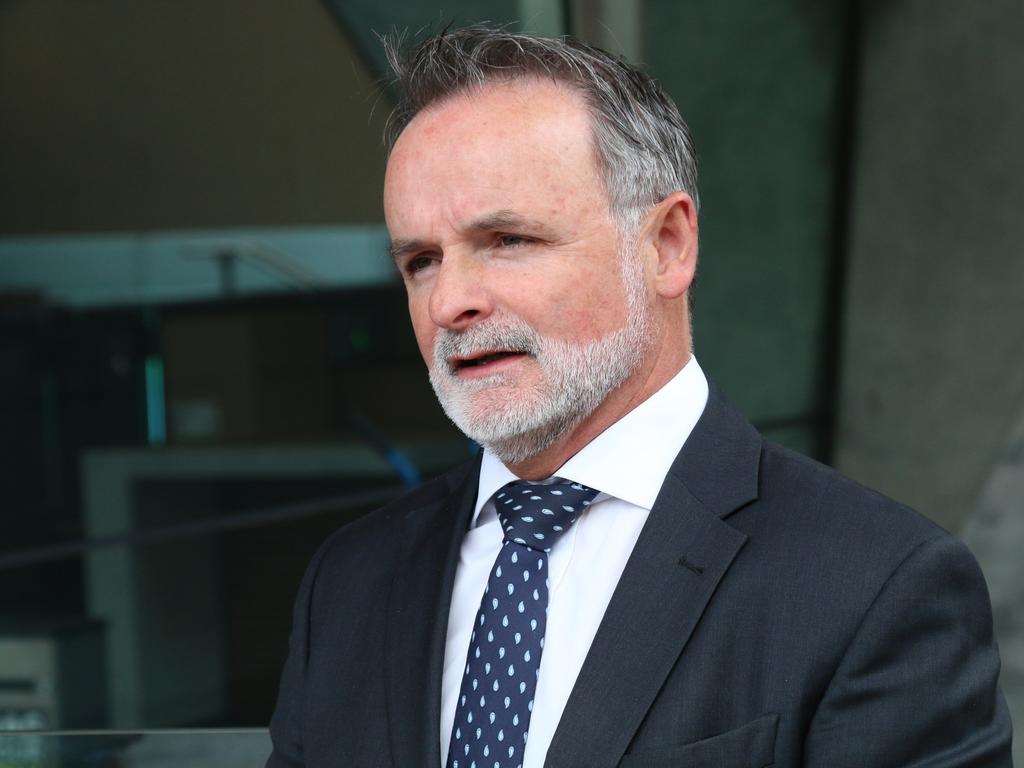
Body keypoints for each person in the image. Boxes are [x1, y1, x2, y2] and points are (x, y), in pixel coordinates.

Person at [266, 25, 1012, 768]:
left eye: (507, 240)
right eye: (421, 260)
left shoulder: (875, 587)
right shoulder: (351, 581)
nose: (449, 302)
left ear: (667, 246)